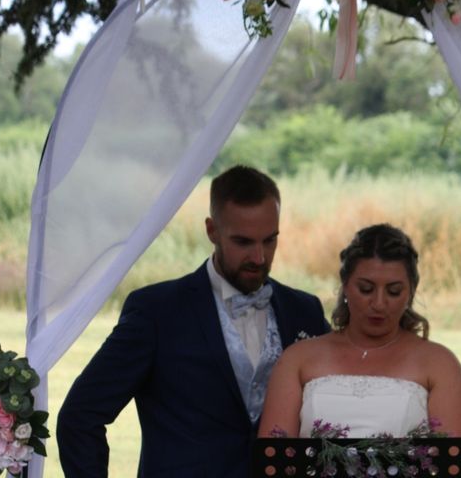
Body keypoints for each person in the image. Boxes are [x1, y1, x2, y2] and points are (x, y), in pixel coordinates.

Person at [57, 165, 329, 477]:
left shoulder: (304, 310)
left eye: (269, 240)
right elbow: (80, 417)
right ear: (212, 230)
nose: (259, 257)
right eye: (243, 242)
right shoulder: (156, 312)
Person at [258, 224, 461, 447]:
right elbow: (273, 459)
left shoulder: (439, 364)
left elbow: (456, 464)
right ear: (345, 286)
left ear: (411, 291)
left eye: (393, 291)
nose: (379, 304)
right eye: (366, 289)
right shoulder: (298, 359)